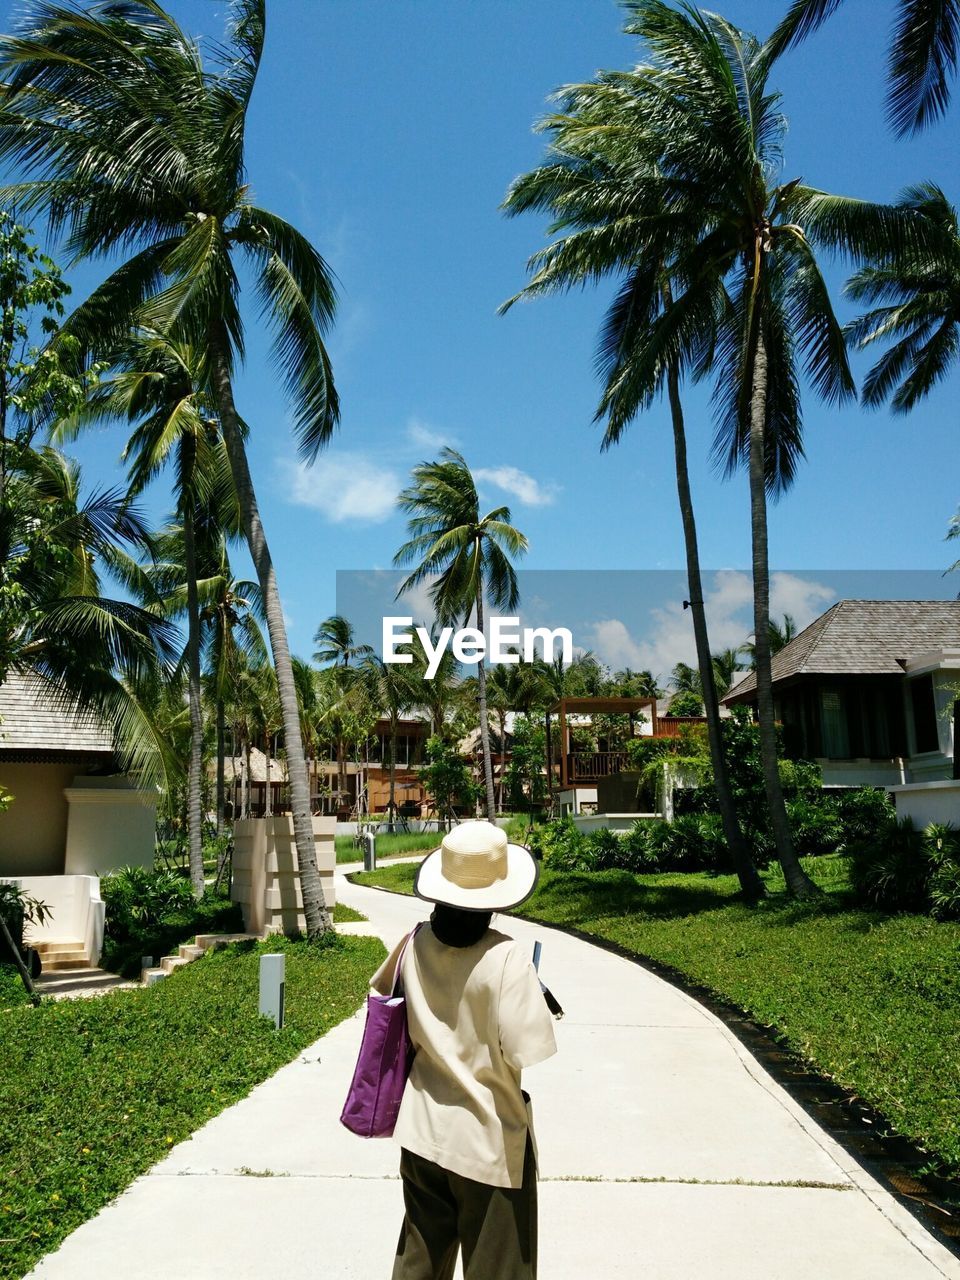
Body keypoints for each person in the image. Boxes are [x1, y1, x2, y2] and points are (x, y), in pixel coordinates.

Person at [370, 819, 558, 1280]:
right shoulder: (508, 957)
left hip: (422, 1131)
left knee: (419, 1264)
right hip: (486, 1142)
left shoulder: (412, 943)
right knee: (499, 1267)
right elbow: (524, 1051)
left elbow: (383, 1000)